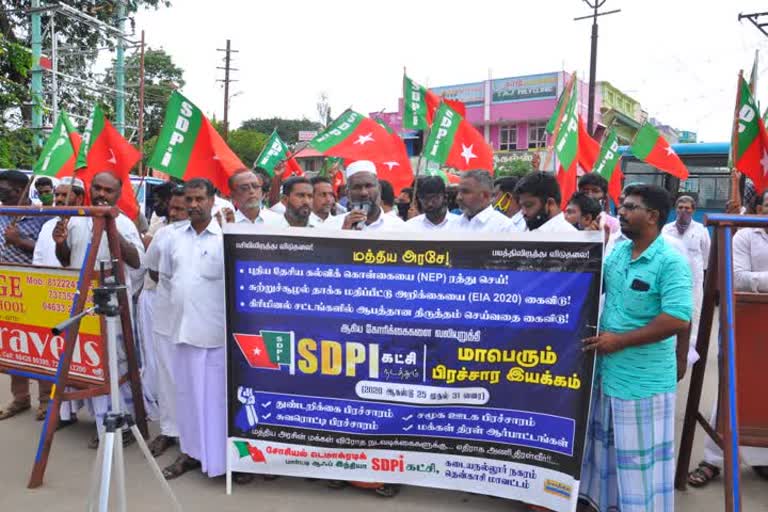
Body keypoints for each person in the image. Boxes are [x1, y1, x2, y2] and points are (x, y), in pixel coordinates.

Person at [580, 184, 692, 512]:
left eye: (630, 207)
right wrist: (591, 248)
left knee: (640, 464)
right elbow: (597, 283)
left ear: (653, 216)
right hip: (608, 374)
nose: (622, 213)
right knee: (609, 455)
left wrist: (621, 340)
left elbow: (677, 318)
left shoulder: (670, 260)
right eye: (622, 206)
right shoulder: (618, 251)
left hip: (642, 382)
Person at [52, 171, 145, 447]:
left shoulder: (124, 223)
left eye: (109, 190)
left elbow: (137, 261)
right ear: (91, 189)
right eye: (99, 189)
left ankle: (123, 424)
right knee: (90, 364)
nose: (103, 195)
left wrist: (112, 230)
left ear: (118, 193)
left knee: (116, 366)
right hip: (83, 305)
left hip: (113, 308)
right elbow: (67, 259)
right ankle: (101, 418)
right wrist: (60, 244)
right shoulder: (79, 219)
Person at [687, 189, 768, 487]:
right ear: (759, 207)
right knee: (731, 385)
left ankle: (762, 459)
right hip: (743, 321)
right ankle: (713, 459)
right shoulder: (745, 236)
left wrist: (759, 281)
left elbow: (752, 278)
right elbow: (737, 277)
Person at [162, 178, 227, 480]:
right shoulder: (175, 237)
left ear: (213, 200)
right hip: (183, 332)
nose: (193, 205)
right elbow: (166, 278)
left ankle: (222, 462)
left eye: (199, 199)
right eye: (189, 199)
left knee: (216, 403)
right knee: (187, 399)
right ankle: (190, 454)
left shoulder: (225, 236)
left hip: (215, 336)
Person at [0, 170, 54, 421]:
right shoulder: (2, 214)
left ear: (22, 190)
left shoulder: (42, 216)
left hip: (33, 289)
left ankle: (46, 401)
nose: (3, 195)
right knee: (12, 346)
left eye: (7, 191)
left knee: (38, 346)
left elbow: (52, 252)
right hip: (7, 290)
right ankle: (20, 398)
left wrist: (20, 241)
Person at [143, 186, 189, 457]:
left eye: (181, 208)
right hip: (164, 317)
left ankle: (193, 436)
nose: (175, 212)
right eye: (173, 207)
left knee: (191, 378)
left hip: (196, 321)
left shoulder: (207, 235)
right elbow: (153, 270)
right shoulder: (163, 234)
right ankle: (169, 430)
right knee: (167, 376)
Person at [661, 195, 710, 366]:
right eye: (680, 207)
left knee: (693, 316)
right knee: (671, 314)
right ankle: (670, 352)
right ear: (676, 209)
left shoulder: (701, 231)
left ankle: (688, 354)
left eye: (687, 208)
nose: (683, 211)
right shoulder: (666, 230)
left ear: (693, 210)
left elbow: (706, 257)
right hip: (671, 282)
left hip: (694, 283)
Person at [324, 160, 404, 232]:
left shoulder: (399, 228)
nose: (364, 193)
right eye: (357, 187)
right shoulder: (331, 226)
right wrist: (344, 233)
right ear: (348, 194)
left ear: (379, 189)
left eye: (369, 186)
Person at [33, 177, 86, 267]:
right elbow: (38, 259)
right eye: (57, 195)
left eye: (65, 195)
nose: (59, 199)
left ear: (79, 199)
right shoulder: (48, 225)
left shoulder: (87, 225)